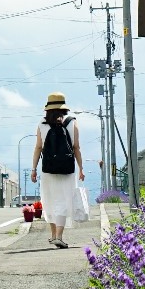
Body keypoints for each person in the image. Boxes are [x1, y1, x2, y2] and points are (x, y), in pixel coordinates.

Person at [29, 92, 84, 249]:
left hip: (48, 169)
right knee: (64, 201)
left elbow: (38, 147)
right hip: (67, 169)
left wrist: (33, 169)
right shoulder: (72, 123)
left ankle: (53, 235)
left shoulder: (41, 124)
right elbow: (76, 148)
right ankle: (59, 236)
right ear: (64, 108)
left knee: (50, 201)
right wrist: (81, 168)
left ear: (48, 108)